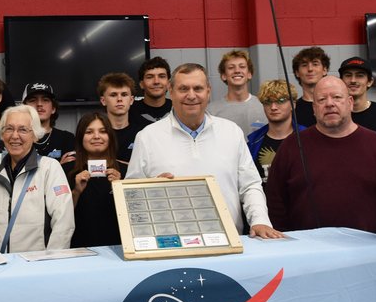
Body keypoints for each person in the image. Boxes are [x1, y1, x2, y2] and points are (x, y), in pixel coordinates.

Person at [125, 63, 281, 239]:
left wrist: (260, 220)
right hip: (170, 246)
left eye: (198, 88)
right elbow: (131, 197)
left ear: (208, 91)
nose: (191, 95)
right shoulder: (147, 137)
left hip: (228, 241)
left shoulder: (231, 132)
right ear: (171, 90)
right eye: (183, 88)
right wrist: (151, 190)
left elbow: (250, 185)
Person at [266, 76, 376, 234]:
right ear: (314, 108)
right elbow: (275, 202)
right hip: (306, 252)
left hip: (369, 251)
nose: (329, 104)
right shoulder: (292, 146)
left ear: (350, 102)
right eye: (322, 99)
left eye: (337, 97)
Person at [0, 105, 75, 254]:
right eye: (9, 129)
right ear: (2, 135)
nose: (15, 136)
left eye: (23, 130)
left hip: (34, 269)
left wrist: (50, 264)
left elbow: (64, 223)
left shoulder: (49, 169)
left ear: (35, 136)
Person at [64, 112, 123, 248]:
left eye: (102, 131)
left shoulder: (125, 170)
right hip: (77, 248)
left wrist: (120, 188)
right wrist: (76, 192)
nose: (96, 136)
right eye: (89, 132)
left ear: (110, 136)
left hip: (118, 248)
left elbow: (135, 216)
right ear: (80, 137)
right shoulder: (65, 170)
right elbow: (59, 218)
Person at [246, 79, 305, 185]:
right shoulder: (253, 143)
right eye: (268, 102)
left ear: (293, 104)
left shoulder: (306, 138)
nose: (273, 107)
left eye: (280, 101)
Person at [207, 49, 267, 138]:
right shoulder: (211, 111)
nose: (237, 70)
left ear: (249, 74)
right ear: (224, 76)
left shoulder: (265, 106)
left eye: (242, 66)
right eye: (231, 67)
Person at [338, 57, 376, 141]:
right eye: (348, 75)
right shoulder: (334, 114)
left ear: (370, 82)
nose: (353, 80)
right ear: (341, 81)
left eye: (360, 76)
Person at [21, 82, 76, 162]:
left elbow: (69, 171)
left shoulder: (67, 138)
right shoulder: (18, 138)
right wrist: (58, 167)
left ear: (53, 109)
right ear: (24, 108)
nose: (39, 104)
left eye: (45, 100)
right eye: (33, 100)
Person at [98, 72, 139, 164]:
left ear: (131, 100)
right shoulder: (95, 134)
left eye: (124, 95)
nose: (119, 99)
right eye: (113, 95)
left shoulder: (143, 133)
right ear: (103, 100)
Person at [290, 47, 329, 128]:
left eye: (315, 64)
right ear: (297, 73)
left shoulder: (334, 105)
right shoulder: (292, 109)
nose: (310, 69)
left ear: (324, 70)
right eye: (304, 65)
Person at [129, 57, 172, 128]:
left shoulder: (177, 109)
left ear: (168, 83)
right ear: (141, 84)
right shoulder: (129, 111)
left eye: (162, 76)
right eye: (150, 77)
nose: (156, 81)